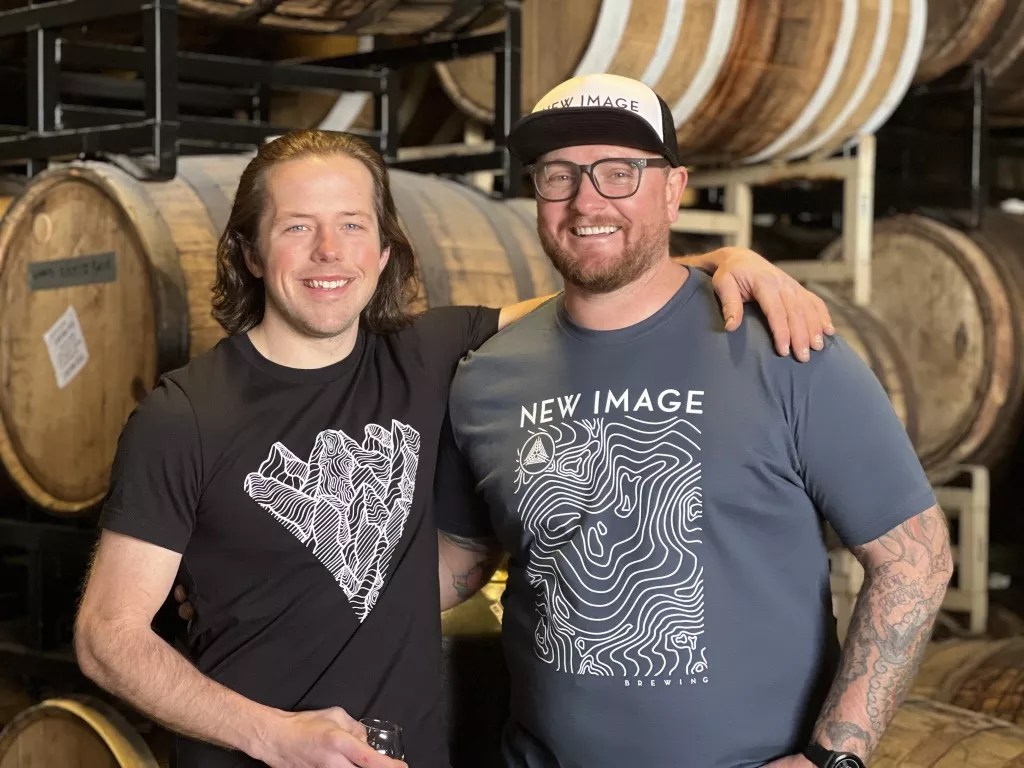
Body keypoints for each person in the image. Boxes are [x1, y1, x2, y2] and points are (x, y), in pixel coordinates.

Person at [73, 128, 833, 768]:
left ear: (383, 251)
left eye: (353, 225)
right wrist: (275, 737)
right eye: (297, 227)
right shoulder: (184, 416)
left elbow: (605, 292)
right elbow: (106, 638)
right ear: (249, 252)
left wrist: (726, 261)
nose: (329, 252)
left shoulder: (430, 354)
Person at [436, 73, 954, 768]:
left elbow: (915, 559)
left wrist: (835, 755)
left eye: (619, 172)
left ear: (674, 189)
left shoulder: (785, 347)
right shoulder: (487, 376)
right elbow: (464, 560)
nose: (586, 200)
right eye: (558, 174)